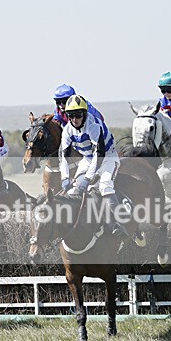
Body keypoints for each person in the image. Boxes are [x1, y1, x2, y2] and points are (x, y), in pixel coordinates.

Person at [58, 94, 126, 237]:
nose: (74, 120)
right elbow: (64, 157)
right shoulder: (67, 130)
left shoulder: (93, 126)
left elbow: (99, 155)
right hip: (88, 158)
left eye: (78, 115)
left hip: (107, 157)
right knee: (73, 191)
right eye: (71, 116)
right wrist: (64, 178)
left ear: (84, 113)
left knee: (104, 185)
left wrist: (88, 179)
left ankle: (119, 223)